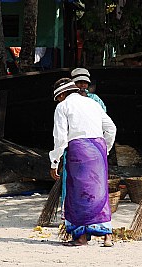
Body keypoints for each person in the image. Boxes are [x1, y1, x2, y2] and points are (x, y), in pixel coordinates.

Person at [49, 78, 117, 247]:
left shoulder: (63, 106)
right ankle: (107, 235)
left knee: (79, 193)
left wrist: (54, 161)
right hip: (98, 147)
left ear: (62, 94)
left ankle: (80, 238)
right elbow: (111, 128)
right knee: (99, 192)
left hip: (79, 149)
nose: (58, 100)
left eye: (58, 97)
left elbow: (60, 138)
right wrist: (105, 149)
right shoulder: (93, 104)